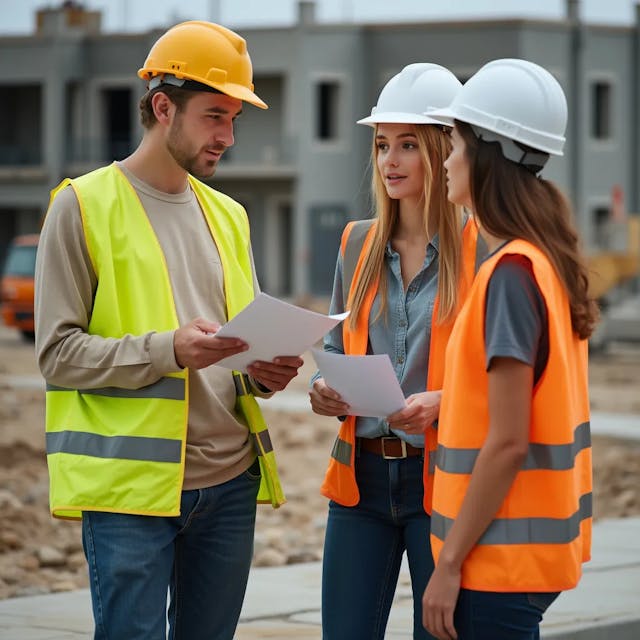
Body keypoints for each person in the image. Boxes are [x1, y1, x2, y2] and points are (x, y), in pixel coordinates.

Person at [34, 21, 303, 640]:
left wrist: (262, 373)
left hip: (230, 484)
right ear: (163, 106)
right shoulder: (82, 206)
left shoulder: (229, 216)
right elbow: (56, 354)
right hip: (131, 494)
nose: (228, 137)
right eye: (215, 115)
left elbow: (235, 345)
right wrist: (168, 350)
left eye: (234, 119)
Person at [422, 58, 598, 640]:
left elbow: (508, 440)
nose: (445, 159)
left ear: (487, 153)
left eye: (454, 143)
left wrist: (447, 565)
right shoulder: (542, 263)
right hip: (520, 562)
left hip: (492, 566)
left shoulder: (511, 275)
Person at [309, 63, 484, 640]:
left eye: (409, 145)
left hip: (442, 481)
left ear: (444, 149)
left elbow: (500, 379)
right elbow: (336, 346)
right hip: (358, 482)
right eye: (383, 144)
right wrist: (324, 390)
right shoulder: (356, 242)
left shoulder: (483, 249)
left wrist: (443, 402)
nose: (390, 160)